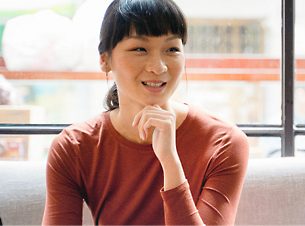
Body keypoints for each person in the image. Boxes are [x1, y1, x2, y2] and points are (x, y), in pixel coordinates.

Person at [42, 0, 250, 225]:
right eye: (139, 49)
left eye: (172, 49)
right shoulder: (74, 148)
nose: (158, 66)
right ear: (105, 60)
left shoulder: (223, 142)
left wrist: (170, 162)